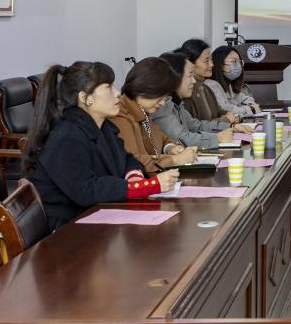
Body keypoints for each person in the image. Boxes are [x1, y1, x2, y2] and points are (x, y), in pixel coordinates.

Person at [24, 61, 179, 230]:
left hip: (95, 216)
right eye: (108, 87)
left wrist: (134, 176)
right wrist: (144, 187)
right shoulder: (67, 136)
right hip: (65, 228)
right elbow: (87, 190)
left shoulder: (103, 126)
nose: (117, 93)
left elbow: (127, 159)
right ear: (86, 98)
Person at [108, 56, 197, 173]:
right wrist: (175, 160)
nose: (162, 102)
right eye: (160, 96)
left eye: (165, 97)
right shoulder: (120, 115)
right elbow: (133, 161)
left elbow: (163, 138)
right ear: (144, 89)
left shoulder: (142, 110)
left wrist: (170, 148)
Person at [152, 50, 241, 149]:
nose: (194, 81)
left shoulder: (177, 102)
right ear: (175, 78)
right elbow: (181, 138)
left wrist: (231, 127)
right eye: (190, 75)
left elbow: (197, 126)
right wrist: (217, 138)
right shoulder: (161, 106)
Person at [179, 38, 241, 128]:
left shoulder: (206, 87)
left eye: (211, 60)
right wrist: (226, 119)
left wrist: (235, 116)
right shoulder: (186, 90)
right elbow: (195, 126)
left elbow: (220, 111)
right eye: (206, 61)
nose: (211, 64)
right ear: (190, 63)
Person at [207, 45, 260, 117]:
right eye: (234, 61)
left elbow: (248, 100)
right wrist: (251, 110)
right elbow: (227, 110)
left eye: (239, 61)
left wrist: (242, 108)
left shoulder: (230, 84)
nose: (238, 65)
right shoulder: (211, 85)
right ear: (219, 64)